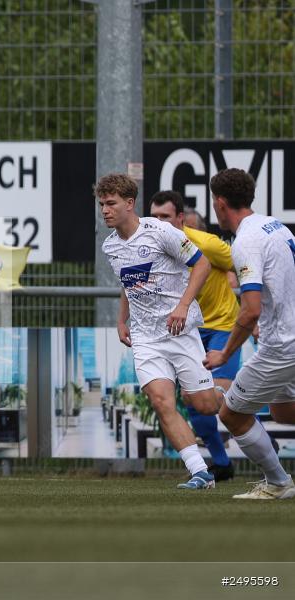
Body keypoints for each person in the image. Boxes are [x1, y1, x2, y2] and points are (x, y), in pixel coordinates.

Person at [97, 173, 223, 490]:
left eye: (110, 204)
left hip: (180, 331)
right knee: (160, 400)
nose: (105, 210)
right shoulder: (110, 246)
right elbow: (129, 283)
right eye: (101, 204)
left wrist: (182, 306)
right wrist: (122, 319)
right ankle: (200, 472)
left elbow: (203, 264)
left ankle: (236, 398)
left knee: (204, 404)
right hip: (146, 337)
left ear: (129, 203)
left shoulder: (161, 231)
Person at [204, 168, 295, 500]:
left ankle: (278, 483)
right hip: (287, 337)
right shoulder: (274, 225)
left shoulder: (245, 241)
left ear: (220, 202)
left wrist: (225, 354)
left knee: (231, 412)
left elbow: (251, 308)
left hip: (282, 346)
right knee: (283, 411)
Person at [149, 190, 240, 481]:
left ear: (180, 218)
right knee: (192, 400)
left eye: (165, 217)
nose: (160, 222)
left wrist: (233, 278)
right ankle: (222, 464)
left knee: (215, 401)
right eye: (155, 217)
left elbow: (242, 265)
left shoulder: (206, 243)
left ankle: (253, 417)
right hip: (189, 331)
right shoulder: (150, 246)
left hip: (223, 326)